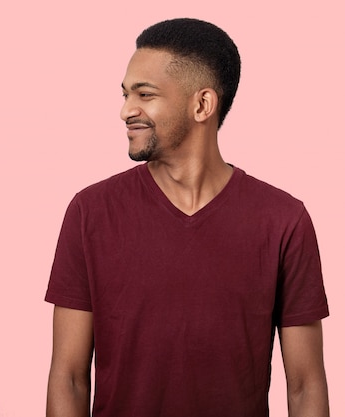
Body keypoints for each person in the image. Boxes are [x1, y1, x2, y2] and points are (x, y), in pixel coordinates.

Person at [45, 18, 329, 417]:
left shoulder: (283, 220)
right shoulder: (89, 212)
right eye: (126, 94)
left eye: (145, 94)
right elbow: (69, 377)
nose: (127, 110)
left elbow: (305, 386)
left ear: (202, 104)